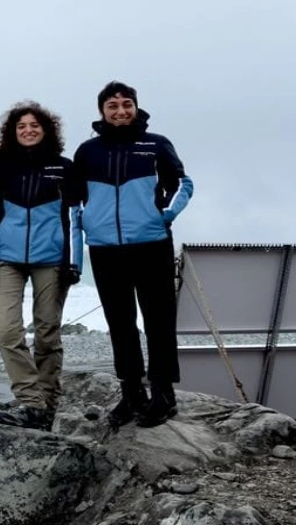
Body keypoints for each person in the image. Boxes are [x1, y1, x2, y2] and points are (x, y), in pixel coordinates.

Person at [73, 81, 194, 427]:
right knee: (120, 323)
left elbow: (183, 184)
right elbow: (76, 199)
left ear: (135, 107)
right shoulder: (87, 152)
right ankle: (131, 395)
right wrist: (88, 226)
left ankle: (163, 395)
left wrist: (164, 214)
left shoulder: (155, 145)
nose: (120, 111)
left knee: (158, 320)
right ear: (102, 112)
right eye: (112, 106)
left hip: (151, 244)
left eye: (126, 104)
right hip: (105, 249)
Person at [0, 101, 83, 431]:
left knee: (47, 333)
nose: (28, 130)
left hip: (51, 261)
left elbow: (74, 218)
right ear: (13, 132)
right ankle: (30, 400)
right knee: (7, 330)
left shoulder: (64, 167)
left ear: (46, 129)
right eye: (21, 126)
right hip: (6, 259)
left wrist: (74, 263)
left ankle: (46, 406)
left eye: (34, 125)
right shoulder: (1, 166)